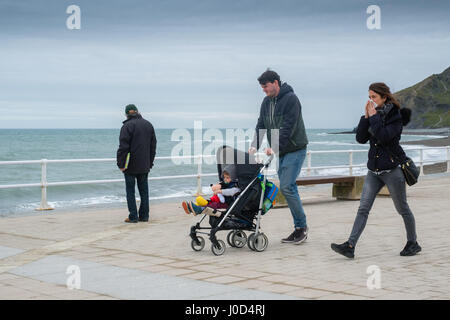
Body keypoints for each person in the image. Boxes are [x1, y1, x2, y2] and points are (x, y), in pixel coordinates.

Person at [331, 82, 421, 258]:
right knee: (363, 208)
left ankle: (413, 243)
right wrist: (365, 117)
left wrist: (372, 117)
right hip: (374, 170)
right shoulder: (373, 114)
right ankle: (350, 246)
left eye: (374, 97)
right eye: (369, 97)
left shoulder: (396, 116)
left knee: (402, 208)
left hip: (392, 170)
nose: (371, 100)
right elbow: (360, 138)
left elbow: (385, 137)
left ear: (384, 97)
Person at [249, 69, 309, 244]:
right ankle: (299, 227)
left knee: (287, 187)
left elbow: (288, 127)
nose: (264, 90)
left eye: (266, 86)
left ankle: (301, 228)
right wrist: (254, 145)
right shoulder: (266, 102)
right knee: (288, 187)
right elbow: (261, 124)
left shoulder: (291, 99)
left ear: (275, 82)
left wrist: (273, 146)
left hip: (295, 148)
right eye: (262, 88)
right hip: (281, 151)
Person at [117, 104, 157, 223]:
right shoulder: (148, 125)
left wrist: (121, 164)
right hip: (144, 164)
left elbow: (123, 147)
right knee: (144, 191)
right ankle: (144, 216)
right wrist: (150, 162)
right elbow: (153, 146)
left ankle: (133, 216)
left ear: (126, 114)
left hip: (130, 165)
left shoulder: (127, 126)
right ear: (138, 112)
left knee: (130, 191)